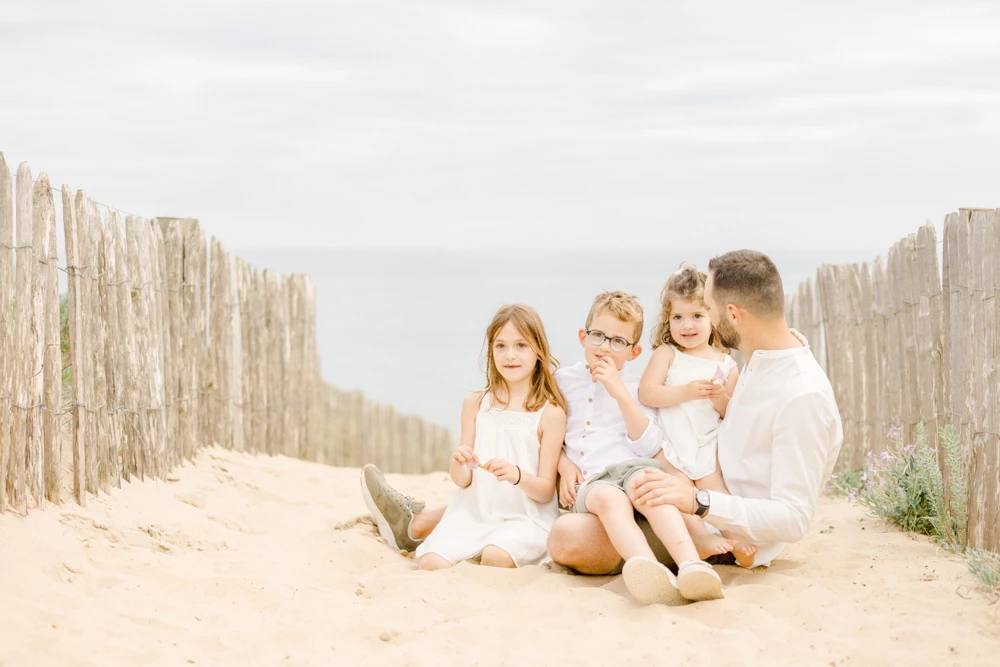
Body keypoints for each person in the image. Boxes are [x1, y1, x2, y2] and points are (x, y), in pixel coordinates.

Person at [548, 250, 843, 575]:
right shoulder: (756, 361)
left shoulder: (801, 396)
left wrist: (697, 500)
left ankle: (674, 562)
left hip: (717, 523)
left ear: (732, 314)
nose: (697, 323)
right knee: (576, 527)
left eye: (707, 309)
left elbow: (794, 519)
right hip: (679, 495)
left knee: (569, 536)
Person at [364, 304, 567, 570]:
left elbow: (545, 491)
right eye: (500, 346)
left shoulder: (550, 412)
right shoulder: (475, 404)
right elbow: (463, 480)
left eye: (521, 345)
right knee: (430, 563)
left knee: (496, 556)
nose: (510, 355)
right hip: (474, 515)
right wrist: (458, 463)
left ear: (538, 349)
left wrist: (517, 475)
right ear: (491, 350)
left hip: (526, 519)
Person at [554, 290, 724, 603]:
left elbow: (648, 446)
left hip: (633, 467)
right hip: (594, 481)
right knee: (609, 498)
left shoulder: (636, 388)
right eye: (598, 336)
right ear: (583, 337)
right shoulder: (562, 381)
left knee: (650, 485)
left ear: (634, 352)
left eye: (618, 341)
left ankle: (691, 564)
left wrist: (619, 392)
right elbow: (547, 433)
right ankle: (647, 568)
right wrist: (563, 463)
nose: (605, 347)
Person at [638, 265, 755, 567]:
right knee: (678, 489)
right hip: (671, 443)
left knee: (714, 488)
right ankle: (700, 538)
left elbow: (731, 414)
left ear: (713, 317)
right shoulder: (668, 354)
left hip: (706, 443)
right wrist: (686, 391)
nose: (686, 325)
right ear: (667, 320)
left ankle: (736, 538)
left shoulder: (726, 364)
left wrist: (720, 398)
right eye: (677, 317)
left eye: (696, 316)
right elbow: (647, 393)